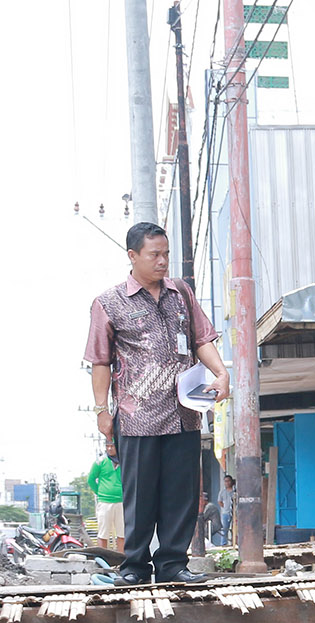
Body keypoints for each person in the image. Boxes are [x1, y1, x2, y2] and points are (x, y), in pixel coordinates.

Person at [86, 222, 229, 585]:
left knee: (181, 494)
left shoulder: (181, 292)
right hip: (137, 418)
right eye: (154, 255)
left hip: (184, 412)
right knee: (139, 495)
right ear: (133, 256)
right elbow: (100, 361)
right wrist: (102, 411)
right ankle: (134, 567)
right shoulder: (108, 303)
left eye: (166, 254)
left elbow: (202, 338)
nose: (163, 261)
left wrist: (221, 372)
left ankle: (172, 565)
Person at [87, 441, 125, 550]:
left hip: (121, 501)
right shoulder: (100, 462)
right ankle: (103, 558)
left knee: (122, 534)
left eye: (112, 446)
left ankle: (121, 559)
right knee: (103, 534)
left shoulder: (125, 461)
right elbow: (91, 479)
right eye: (107, 446)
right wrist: (100, 493)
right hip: (105, 502)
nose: (109, 449)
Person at [217, 474, 235, 546]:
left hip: (234, 513)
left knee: (235, 529)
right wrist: (224, 507)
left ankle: (234, 543)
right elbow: (219, 501)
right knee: (225, 529)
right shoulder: (222, 492)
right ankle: (224, 544)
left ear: (231, 481)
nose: (227, 483)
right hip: (225, 513)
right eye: (225, 481)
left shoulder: (235, 491)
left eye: (228, 481)